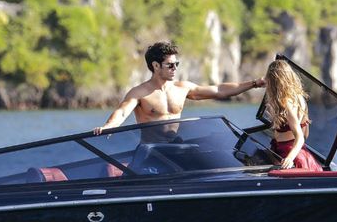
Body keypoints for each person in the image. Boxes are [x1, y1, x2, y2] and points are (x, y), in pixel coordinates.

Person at [92, 41, 266, 136]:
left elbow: (219, 90)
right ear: (155, 66)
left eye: (176, 64)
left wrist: (254, 83)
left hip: (176, 147)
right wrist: (108, 126)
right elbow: (122, 112)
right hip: (151, 149)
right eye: (170, 65)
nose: (175, 68)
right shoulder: (139, 93)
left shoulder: (182, 88)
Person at [263, 58, 322, 171]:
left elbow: (300, 137)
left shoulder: (287, 103)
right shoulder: (299, 98)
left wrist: (289, 158)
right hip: (297, 153)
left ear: (275, 82)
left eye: (269, 80)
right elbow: (306, 133)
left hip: (289, 155)